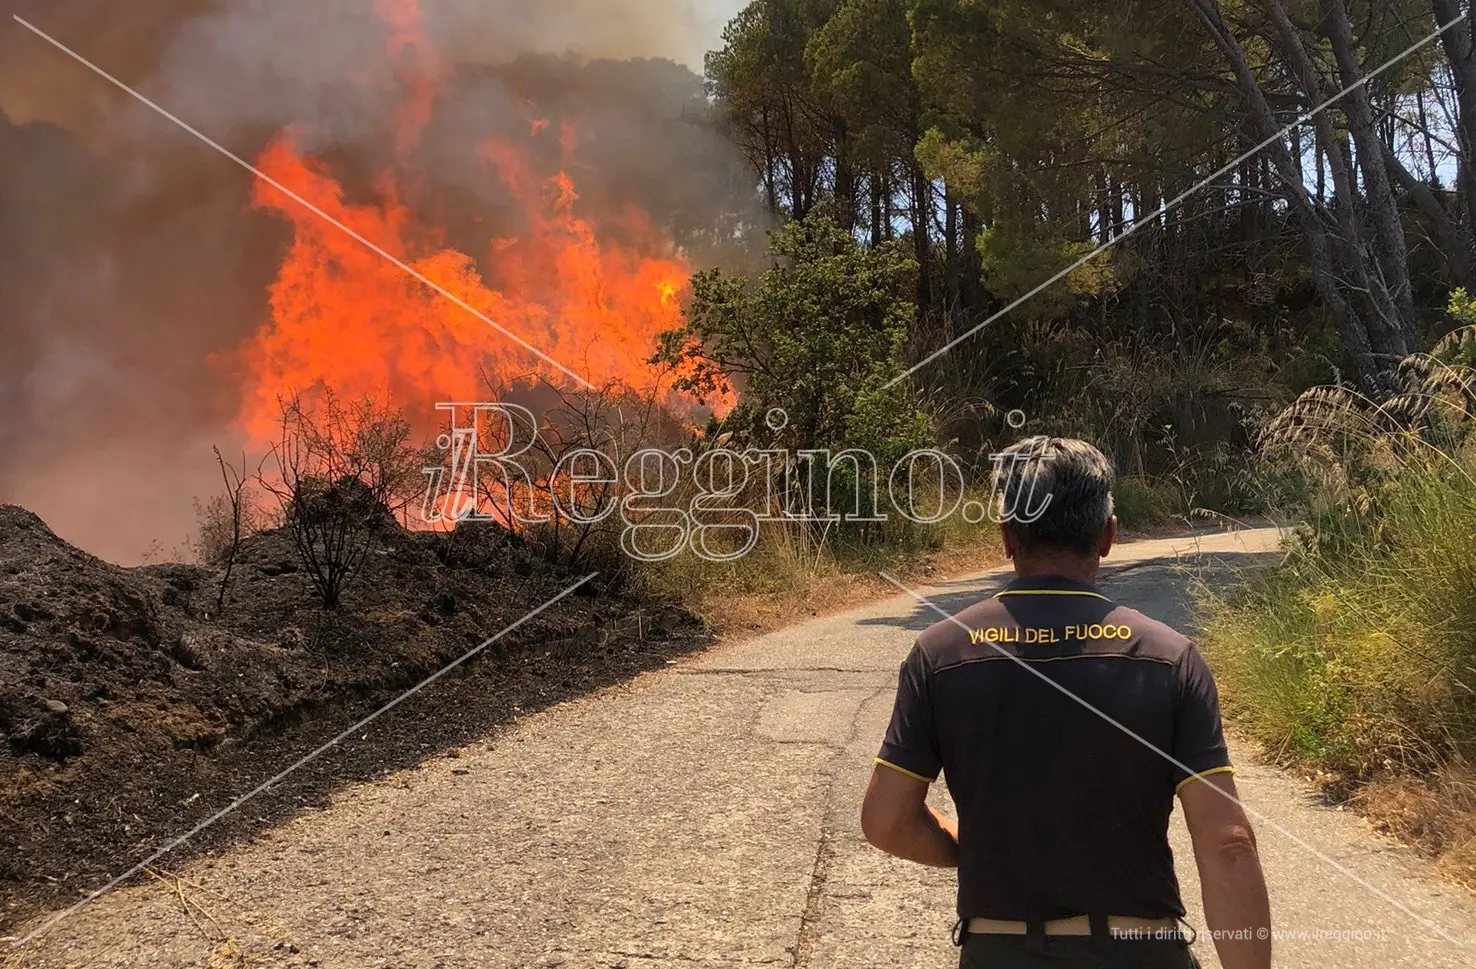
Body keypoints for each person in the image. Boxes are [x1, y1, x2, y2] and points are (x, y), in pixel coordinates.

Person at [860, 437, 1271, 969]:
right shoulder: (1169, 658)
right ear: (1107, 534)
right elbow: (1228, 845)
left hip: (998, 951)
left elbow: (886, 822)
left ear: (1007, 536)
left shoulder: (940, 654)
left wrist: (975, 846)